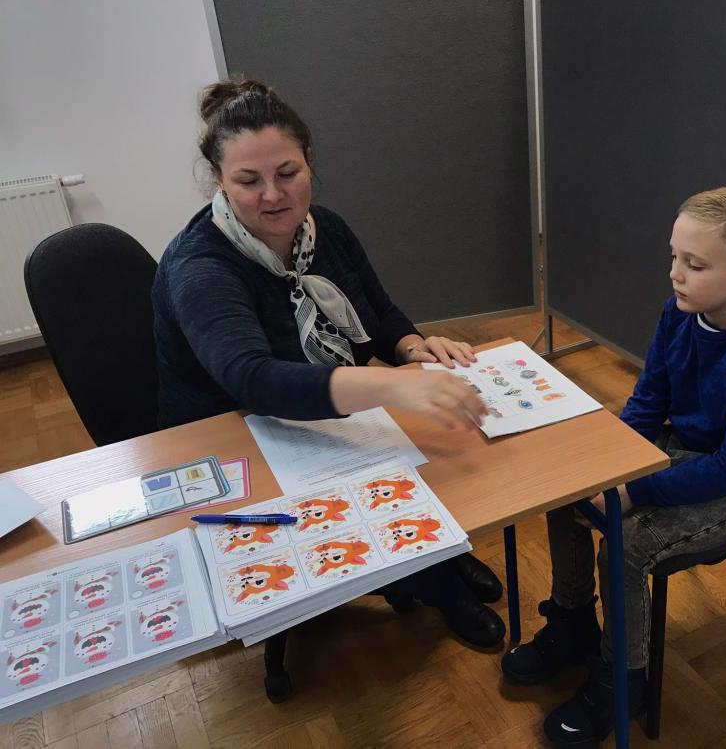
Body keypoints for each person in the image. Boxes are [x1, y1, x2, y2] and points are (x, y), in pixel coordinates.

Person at [152, 78, 505, 647]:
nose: (273, 195)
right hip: (233, 434)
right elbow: (254, 379)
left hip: (314, 411)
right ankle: (436, 582)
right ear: (218, 178)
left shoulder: (326, 229)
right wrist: (390, 387)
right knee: (378, 465)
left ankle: (435, 556)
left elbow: (379, 311)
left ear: (309, 161)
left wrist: (412, 349)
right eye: (248, 180)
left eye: (287, 173)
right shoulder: (201, 265)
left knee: (415, 451)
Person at [500, 186, 726, 746]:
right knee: (571, 492)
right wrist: (609, 464)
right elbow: (649, 399)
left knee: (624, 546)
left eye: (694, 264)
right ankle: (573, 622)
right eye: (674, 256)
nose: (674, 273)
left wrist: (635, 490)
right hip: (689, 446)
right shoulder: (681, 311)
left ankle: (625, 679)